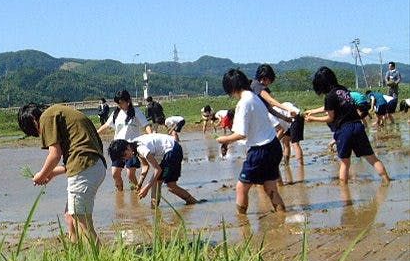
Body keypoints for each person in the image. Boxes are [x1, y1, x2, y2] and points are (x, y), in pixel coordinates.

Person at [18, 102, 106, 244]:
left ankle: (100, 258)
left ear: (33, 121)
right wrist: (50, 174)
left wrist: (41, 175)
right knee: (70, 216)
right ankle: (76, 252)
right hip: (95, 166)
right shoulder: (60, 113)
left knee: (80, 218)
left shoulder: (46, 117)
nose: (40, 134)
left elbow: (55, 155)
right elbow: (72, 163)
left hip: (85, 167)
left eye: (36, 132)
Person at [216, 69, 286, 215]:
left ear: (231, 88)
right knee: (270, 188)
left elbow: (241, 134)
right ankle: (282, 216)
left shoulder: (244, 102)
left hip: (260, 151)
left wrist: (223, 139)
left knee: (241, 188)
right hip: (273, 146)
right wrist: (228, 142)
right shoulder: (254, 97)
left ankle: (242, 222)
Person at [305, 67, 390, 185]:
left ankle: (344, 191)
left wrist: (312, 119)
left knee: (345, 163)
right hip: (358, 125)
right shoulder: (343, 90)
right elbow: (331, 107)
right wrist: (313, 111)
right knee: (371, 157)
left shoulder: (329, 96)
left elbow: (330, 117)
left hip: (345, 129)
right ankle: (386, 180)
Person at [108, 133, 199, 208]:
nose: (125, 158)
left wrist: (146, 188)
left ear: (127, 147)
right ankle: (154, 208)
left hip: (173, 150)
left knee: (171, 186)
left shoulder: (141, 148)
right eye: (123, 158)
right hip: (167, 152)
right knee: (156, 181)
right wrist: (140, 184)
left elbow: (157, 169)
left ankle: (192, 201)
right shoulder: (133, 146)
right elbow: (145, 166)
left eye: (124, 155)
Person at [97, 90, 153, 191]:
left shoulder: (136, 112)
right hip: (118, 147)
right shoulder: (115, 113)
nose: (119, 105)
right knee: (115, 173)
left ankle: (138, 191)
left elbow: (146, 125)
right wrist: (96, 133)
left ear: (128, 101)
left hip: (131, 147)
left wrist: (152, 136)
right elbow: (106, 125)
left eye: (121, 102)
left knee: (130, 174)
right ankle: (120, 194)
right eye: (118, 103)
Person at [251, 64, 298, 163]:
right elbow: (271, 102)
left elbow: (270, 108)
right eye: (269, 80)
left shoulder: (259, 86)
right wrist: (287, 109)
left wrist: (285, 118)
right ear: (264, 78)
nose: (269, 84)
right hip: (258, 120)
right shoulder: (257, 86)